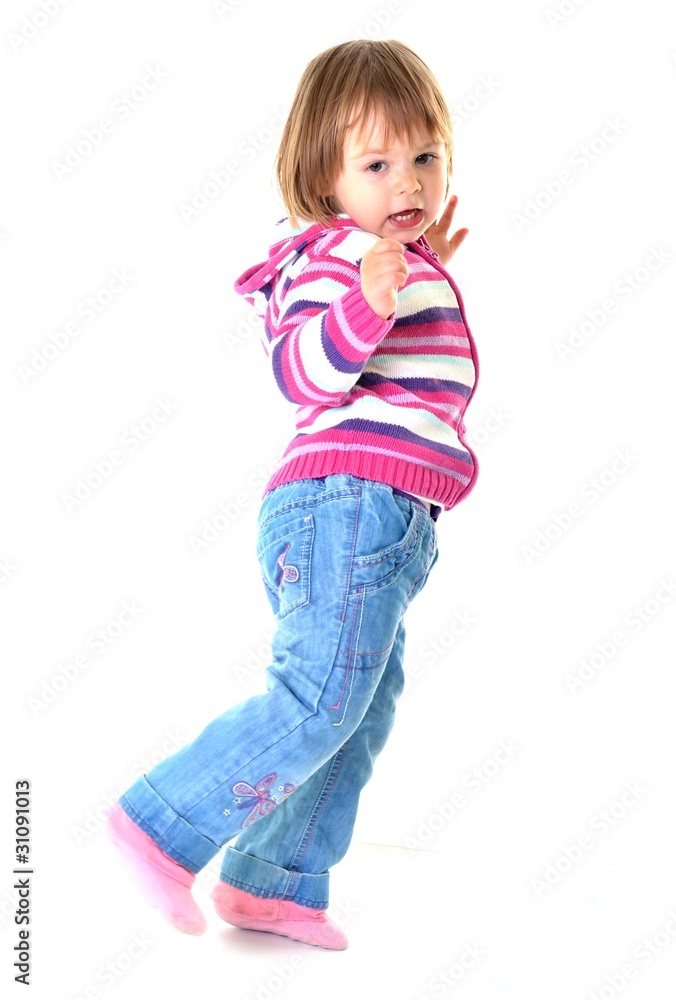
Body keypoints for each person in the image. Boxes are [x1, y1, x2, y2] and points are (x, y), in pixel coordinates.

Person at [107, 38, 480, 952]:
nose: (409, 183)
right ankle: (159, 822)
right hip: (346, 501)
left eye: (425, 156)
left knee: (360, 704)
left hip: (383, 513)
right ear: (323, 181)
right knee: (319, 696)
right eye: (377, 165)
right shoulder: (334, 257)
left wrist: (416, 274)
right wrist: (369, 300)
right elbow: (301, 368)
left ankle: (274, 880)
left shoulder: (384, 256)